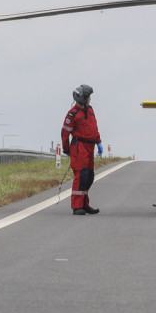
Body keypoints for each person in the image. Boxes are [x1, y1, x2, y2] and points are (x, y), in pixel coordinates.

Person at [61, 84, 103, 215]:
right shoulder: (72, 114)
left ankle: (85, 204)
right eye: (88, 97)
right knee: (81, 176)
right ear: (83, 99)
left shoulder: (90, 110)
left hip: (90, 147)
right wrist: (67, 149)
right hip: (80, 147)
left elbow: (94, 128)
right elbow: (65, 133)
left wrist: (99, 142)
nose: (90, 99)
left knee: (89, 176)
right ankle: (77, 206)